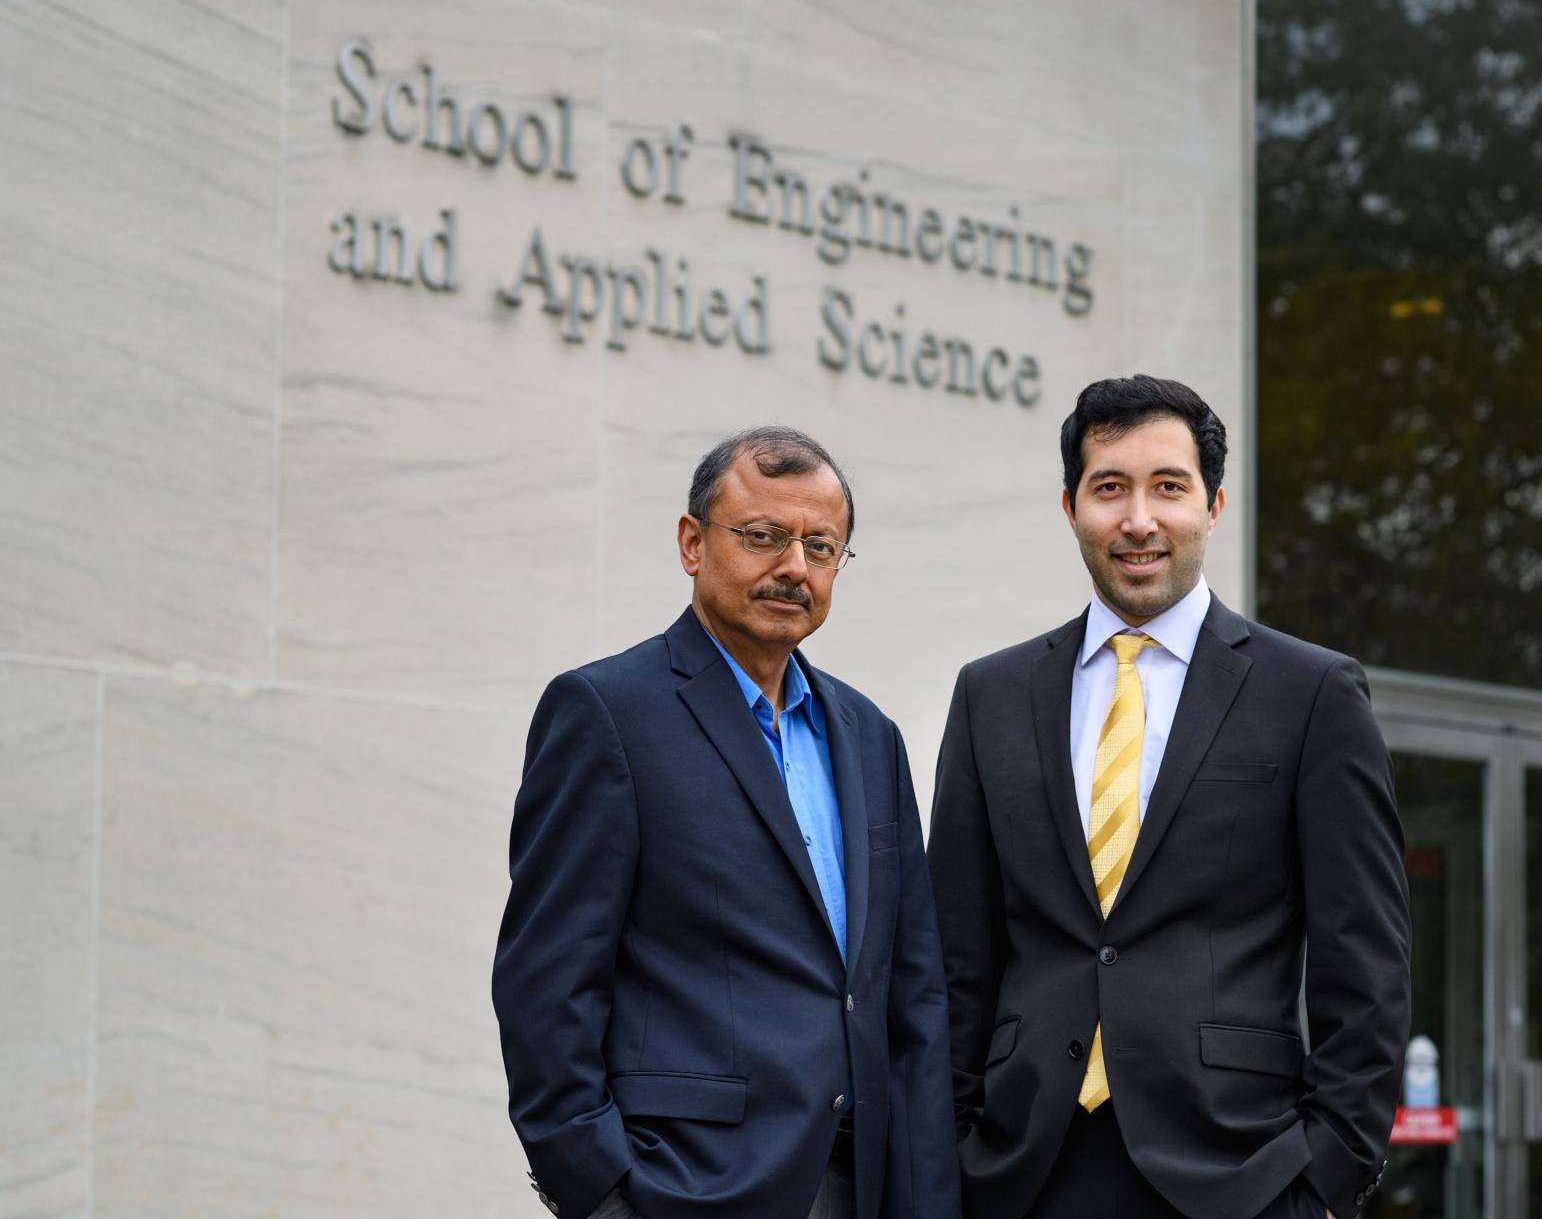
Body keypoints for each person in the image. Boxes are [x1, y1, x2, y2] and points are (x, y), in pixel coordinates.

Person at [928, 376, 1410, 1219]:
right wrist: (951, 1152)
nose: (1139, 519)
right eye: (1110, 487)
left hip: (1244, 1170)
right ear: (1071, 507)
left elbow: (1364, 955)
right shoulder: (990, 695)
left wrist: (1331, 1175)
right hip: (1020, 1171)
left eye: (1169, 487)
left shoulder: (1311, 694)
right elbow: (956, 959)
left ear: (1214, 506)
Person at [493, 426, 959, 1219]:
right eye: (763, 536)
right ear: (691, 543)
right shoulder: (607, 713)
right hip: (685, 1185)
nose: (794, 567)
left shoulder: (870, 736)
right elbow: (548, 988)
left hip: (860, 1188)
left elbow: (912, 997)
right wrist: (603, 1195)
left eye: (821, 547)